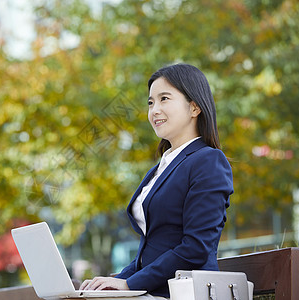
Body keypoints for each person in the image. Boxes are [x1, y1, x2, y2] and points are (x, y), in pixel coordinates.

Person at [80, 63, 234, 299]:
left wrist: (130, 285)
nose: (154, 110)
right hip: (154, 291)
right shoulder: (160, 168)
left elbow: (196, 247)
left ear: (194, 107)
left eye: (164, 99)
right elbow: (151, 252)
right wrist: (115, 280)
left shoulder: (208, 161)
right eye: (151, 102)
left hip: (183, 292)